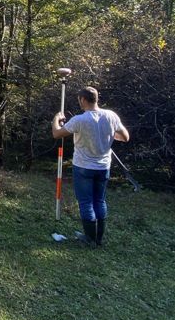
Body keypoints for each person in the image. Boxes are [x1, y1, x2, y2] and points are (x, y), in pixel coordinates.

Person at [50, 86, 129, 246]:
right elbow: (125, 137)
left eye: (80, 99)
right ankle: (98, 238)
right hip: (103, 167)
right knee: (99, 201)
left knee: (86, 202)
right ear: (96, 98)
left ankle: (89, 239)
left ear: (83, 100)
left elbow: (57, 134)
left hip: (84, 167)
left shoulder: (80, 120)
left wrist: (55, 120)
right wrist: (105, 135)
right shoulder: (111, 116)